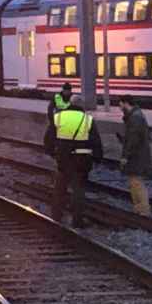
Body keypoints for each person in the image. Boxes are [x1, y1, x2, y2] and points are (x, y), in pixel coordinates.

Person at [44, 95, 103, 228]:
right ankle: (77, 220)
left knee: (60, 189)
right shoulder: (88, 119)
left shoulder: (59, 117)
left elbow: (48, 138)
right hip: (82, 160)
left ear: (69, 104)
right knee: (78, 191)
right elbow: (95, 141)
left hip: (64, 160)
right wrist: (98, 158)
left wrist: (52, 153)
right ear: (82, 106)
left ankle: (56, 216)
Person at [118, 95, 152, 216]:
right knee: (134, 182)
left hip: (137, 155)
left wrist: (125, 156)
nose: (119, 107)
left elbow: (133, 139)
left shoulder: (135, 117)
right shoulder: (135, 116)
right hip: (137, 154)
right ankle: (138, 208)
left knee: (136, 182)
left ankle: (144, 210)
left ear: (125, 103)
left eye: (120, 104)